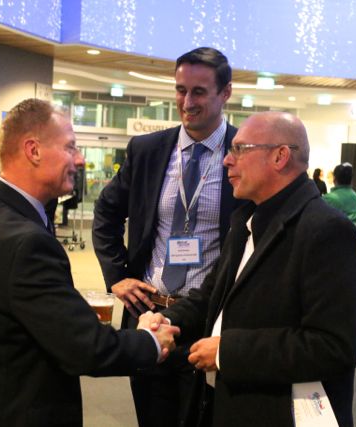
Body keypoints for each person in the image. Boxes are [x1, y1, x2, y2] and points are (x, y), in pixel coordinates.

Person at [0, 98, 180, 427]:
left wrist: (65, 307)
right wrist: (149, 341)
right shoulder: (27, 242)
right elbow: (86, 348)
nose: (80, 159)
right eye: (70, 147)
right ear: (33, 151)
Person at [148, 111, 356, 427]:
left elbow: (332, 348)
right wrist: (167, 319)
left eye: (240, 149)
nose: (227, 160)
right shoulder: (246, 220)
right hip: (228, 403)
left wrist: (227, 353)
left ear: (280, 156)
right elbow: (212, 294)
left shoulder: (327, 231)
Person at [92, 47, 241, 427]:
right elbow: (106, 212)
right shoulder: (147, 150)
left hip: (210, 319)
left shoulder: (242, 154)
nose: (187, 103)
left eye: (199, 92)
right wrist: (117, 277)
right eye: (180, 90)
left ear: (225, 92)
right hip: (150, 316)